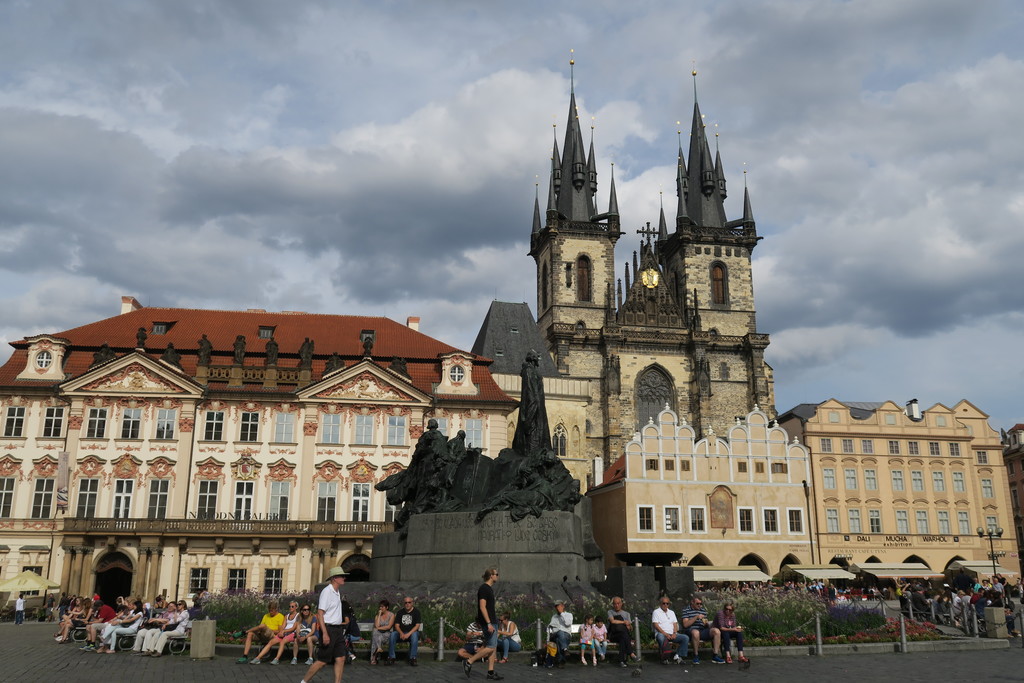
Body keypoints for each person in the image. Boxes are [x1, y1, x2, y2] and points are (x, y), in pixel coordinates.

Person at [300, 566, 348, 683]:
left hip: (338, 629)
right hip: (329, 629)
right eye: (342, 576)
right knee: (322, 661)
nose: (344, 578)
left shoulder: (337, 592)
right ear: (334, 578)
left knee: (341, 658)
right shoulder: (327, 592)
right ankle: (304, 681)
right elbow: (320, 614)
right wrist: (325, 633)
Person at [464, 567, 502, 680]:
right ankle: (469, 661)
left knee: (493, 647)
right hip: (488, 622)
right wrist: (489, 623)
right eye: (496, 574)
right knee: (490, 647)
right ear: (491, 575)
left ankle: (490, 672)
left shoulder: (489, 589)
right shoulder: (484, 589)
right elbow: (482, 607)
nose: (497, 576)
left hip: (492, 621)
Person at [252, 600, 301, 665]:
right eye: (289, 606)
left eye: (292, 606)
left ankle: (276, 659)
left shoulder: (298, 615)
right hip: (284, 632)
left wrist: (283, 631)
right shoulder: (286, 616)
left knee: (283, 641)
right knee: (271, 642)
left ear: (296, 607)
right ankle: (258, 658)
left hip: (292, 633)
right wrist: (281, 632)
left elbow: (293, 628)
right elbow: (283, 626)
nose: (290, 608)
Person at [679, 596, 724, 664]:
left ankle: (715, 655)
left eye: (701, 604)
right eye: (697, 603)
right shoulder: (686, 610)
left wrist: (707, 624)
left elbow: (705, 622)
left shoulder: (702, 610)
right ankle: (696, 655)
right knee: (696, 632)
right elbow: (685, 625)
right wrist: (696, 617)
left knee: (716, 631)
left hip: (702, 629)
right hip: (691, 630)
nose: (699, 605)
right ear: (692, 602)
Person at [651, 597, 689, 664]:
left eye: (667, 603)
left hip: (672, 633)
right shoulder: (656, 612)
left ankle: (678, 656)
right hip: (662, 633)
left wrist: (674, 633)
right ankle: (664, 658)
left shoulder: (671, 612)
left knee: (685, 638)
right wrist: (666, 634)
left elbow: (675, 624)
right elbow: (656, 625)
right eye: (664, 603)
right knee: (661, 638)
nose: (665, 605)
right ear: (660, 604)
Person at [388, 596, 422, 665]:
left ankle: (413, 658)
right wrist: (401, 633)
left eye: (409, 602)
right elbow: (396, 625)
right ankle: (391, 657)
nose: (407, 604)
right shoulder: (400, 612)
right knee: (393, 634)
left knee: (415, 635)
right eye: (405, 602)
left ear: (412, 603)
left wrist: (408, 634)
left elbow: (417, 626)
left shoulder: (416, 612)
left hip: (411, 633)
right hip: (401, 633)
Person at [607, 596, 634, 668]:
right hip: (614, 635)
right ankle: (631, 653)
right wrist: (624, 622)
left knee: (623, 637)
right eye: (615, 604)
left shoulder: (627, 614)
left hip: (623, 635)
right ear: (613, 604)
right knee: (624, 634)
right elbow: (612, 621)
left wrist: (629, 626)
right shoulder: (610, 612)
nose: (616, 605)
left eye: (618, 603)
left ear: (621, 604)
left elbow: (631, 628)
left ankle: (621, 661)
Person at [547, 600, 573, 668]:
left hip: (567, 635)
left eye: (558, 606)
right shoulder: (554, 617)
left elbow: (568, 623)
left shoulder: (569, 615)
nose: (557, 608)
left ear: (563, 606)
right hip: (556, 634)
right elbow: (550, 627)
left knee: (559, 640)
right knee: (560, 633)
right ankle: (565, 650)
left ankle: (561, 660)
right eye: (556, 606)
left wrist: (562, 613)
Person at [369, 599, 394, 665]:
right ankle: (378, 649)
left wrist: (379, 628)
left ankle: (373, 658)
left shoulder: (391, 615)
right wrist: (379, 615)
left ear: (387, 607)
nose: (380, 608)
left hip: (387, 634)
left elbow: (388, 627)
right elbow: (377, 625)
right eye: (380, 607)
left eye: (382, 607)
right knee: (375, 634)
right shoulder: (377, 616)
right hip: (378, 634)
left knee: (375, 635)